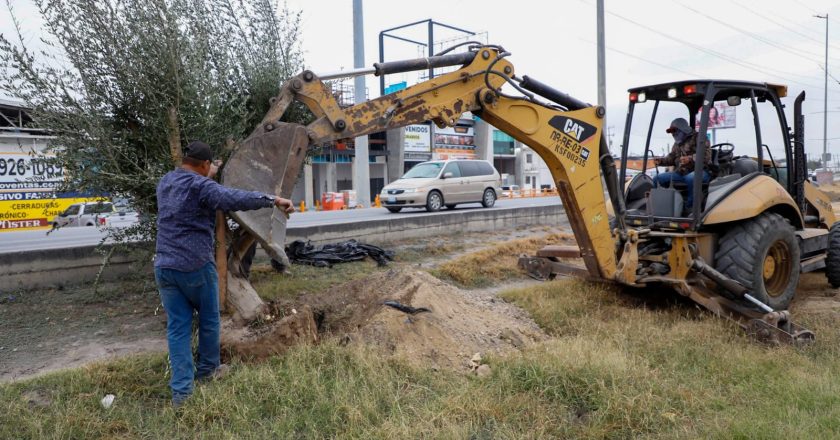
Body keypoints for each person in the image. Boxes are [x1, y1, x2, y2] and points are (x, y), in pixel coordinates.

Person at [154, 140, 294, 407]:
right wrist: (272, 199)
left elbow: (196, 183)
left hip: (164, 267)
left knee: (178, 328)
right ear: (204, 165)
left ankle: (181, 394)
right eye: (210, 166)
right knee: (209, 320)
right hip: (195, 266)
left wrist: (211, 172)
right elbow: (233, 197)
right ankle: (208, 371)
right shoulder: (202, 186)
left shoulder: (166, 182)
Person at [653, 118, 711, 214]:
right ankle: (662, 207)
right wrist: (661, 161)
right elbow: (671, 158)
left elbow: (706, 156)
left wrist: (690, 158)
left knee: (690, 178)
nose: (673, 135)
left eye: (675, 131)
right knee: (657, 179)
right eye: (672, 133)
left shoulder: (700, 138)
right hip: (681, 173)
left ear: (683, 129)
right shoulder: (677, 144)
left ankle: (690, 208)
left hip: (702, 171)